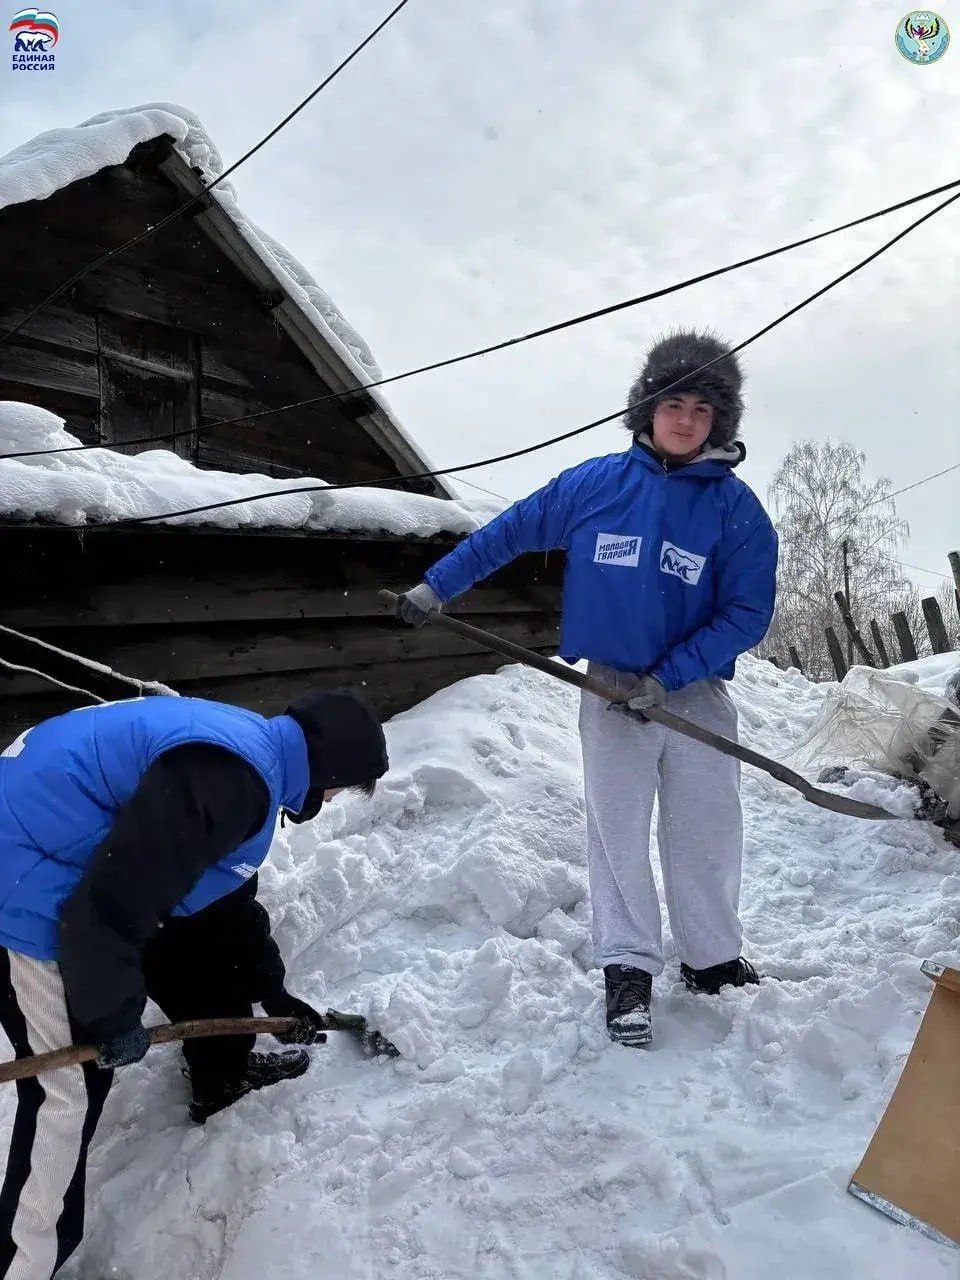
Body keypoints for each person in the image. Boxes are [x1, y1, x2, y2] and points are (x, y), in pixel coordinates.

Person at [396, 330, 778, 1048]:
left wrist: (673, 675)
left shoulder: (737, 511)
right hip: (610, 689)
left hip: (692, 693)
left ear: (720, 423)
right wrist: (435, 586)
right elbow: (507, 532)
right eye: (674, 402)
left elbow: (747, 612)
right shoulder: (595, 485)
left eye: (703, 407)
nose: (687, 418)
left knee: (707, 831)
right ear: (649, 408)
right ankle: (628, 971)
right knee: (617, 834)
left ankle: (711, 958)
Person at [0, 688, 388, 1280]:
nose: (331, 801)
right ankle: (21, 1263)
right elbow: (108, 906)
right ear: (328, 769)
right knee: (65, 1094)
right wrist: (112, 1021)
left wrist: (271, 987)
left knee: (191, 943)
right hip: (20, 885)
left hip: (52, 859)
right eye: (339, 789)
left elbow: (220, 907)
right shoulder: (233, 780)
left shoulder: (250, 753)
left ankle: (219, 1073)